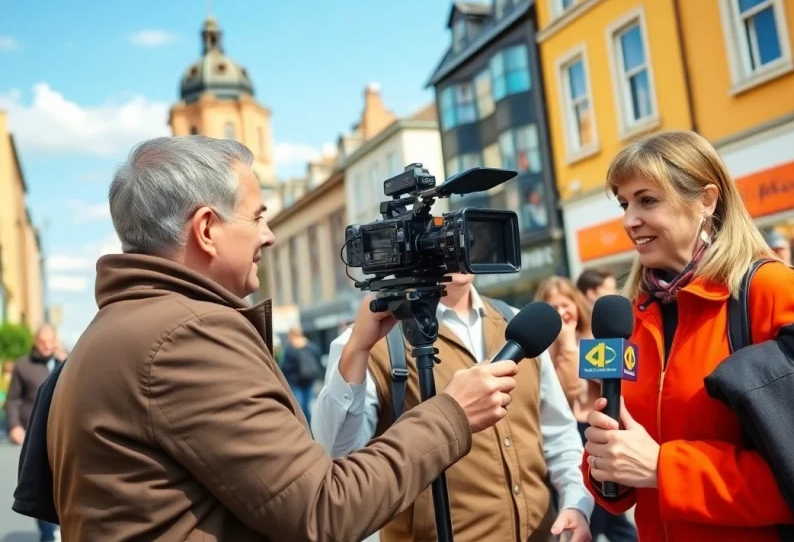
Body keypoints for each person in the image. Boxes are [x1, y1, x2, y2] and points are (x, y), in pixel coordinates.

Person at [42, 136, 520, 542]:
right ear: (207, 228)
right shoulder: (189, 336)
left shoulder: (114, 327)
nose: (268, 236)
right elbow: (323, 510)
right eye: (257, 217)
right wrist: (453, 414)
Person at [580, 131, 794, 541]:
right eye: (624, 204)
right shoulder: (633, 314)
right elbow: (626, 480)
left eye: (647, 200)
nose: (628, 221)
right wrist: (607, 464)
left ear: (706, 200)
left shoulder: (774, 292)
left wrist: (663, 468)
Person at [313, 272, 593, 542]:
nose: (456, 238)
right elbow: (337, 454)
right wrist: (357, 349)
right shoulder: (374, 336)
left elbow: (559, 436)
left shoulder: (518, 321)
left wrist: (576, 504)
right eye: (440, 222)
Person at [535, 276, 638, 542]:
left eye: (565, 304)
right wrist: (566, 342)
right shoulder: (544, 349)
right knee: (590, 514)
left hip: (598, 428)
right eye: (553, 308)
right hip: (570, 436)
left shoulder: (595, 339)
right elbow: (568, 391)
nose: (562, 313)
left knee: (614, 518)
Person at [6, 324, 61, 542]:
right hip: (34, 434)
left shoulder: (66, 362)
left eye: (50, 342)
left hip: (60, 433)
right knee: (41, 485)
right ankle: (48, 535)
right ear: (35, 343)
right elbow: (12, 400)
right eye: (43, 342)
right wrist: (14, 425)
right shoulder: (23, 366)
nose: (47, 346)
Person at [280, 326, 324, 424]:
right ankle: (311, 425)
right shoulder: (310, 345)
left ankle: (304, 426)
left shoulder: (290, 348)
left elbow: (285, 366)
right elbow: (318, 357)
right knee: (308, 404)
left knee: (299, 407)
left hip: (295, 381)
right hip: (309, 379)